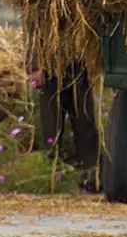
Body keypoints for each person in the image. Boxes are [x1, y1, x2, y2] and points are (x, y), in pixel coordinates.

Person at [27, 35, 101, 192]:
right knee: (51, 130)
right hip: (49, 69)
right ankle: (52, 178)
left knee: (86, 125)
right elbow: (34, 30)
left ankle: (91, 177)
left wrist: (95, 61)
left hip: (80, 66)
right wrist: (34, 66)